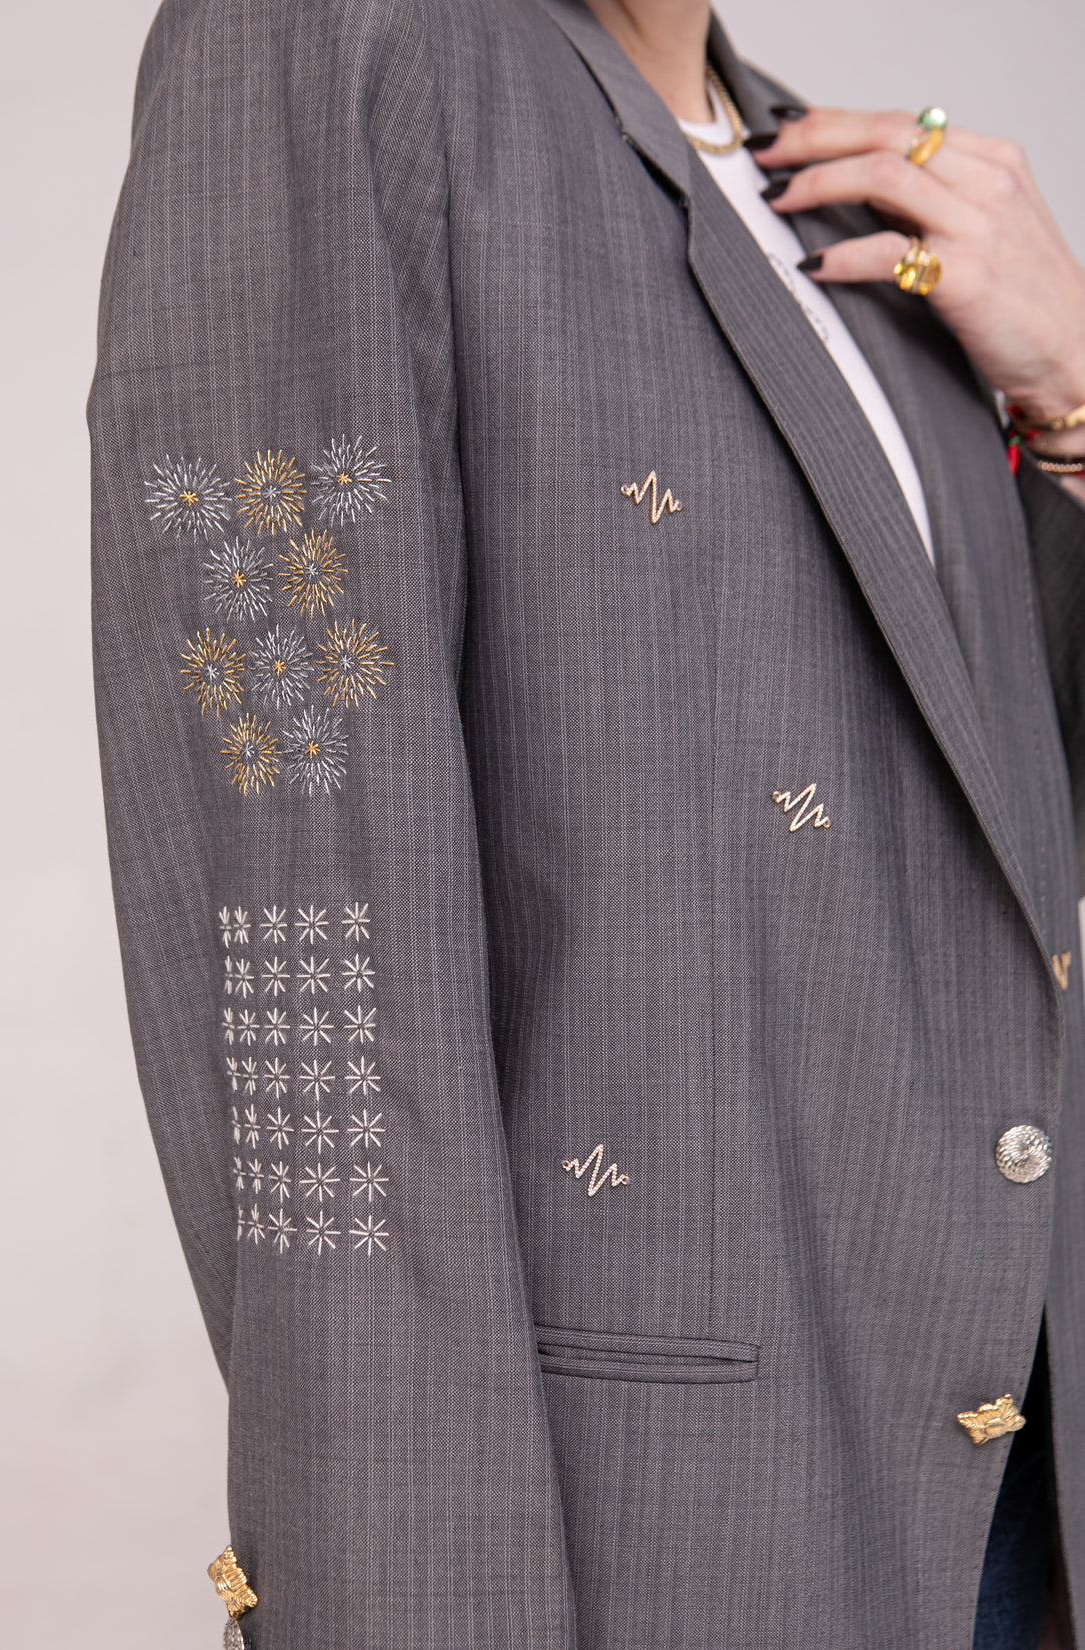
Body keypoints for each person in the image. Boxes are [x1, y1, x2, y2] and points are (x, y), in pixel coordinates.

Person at [88, 0, 1085, 1644]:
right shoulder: (335, 42)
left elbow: (991, 827)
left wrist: (1069, 408)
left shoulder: (847, 193)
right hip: (677, 1534)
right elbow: (312, 929)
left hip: (1008, 1488)